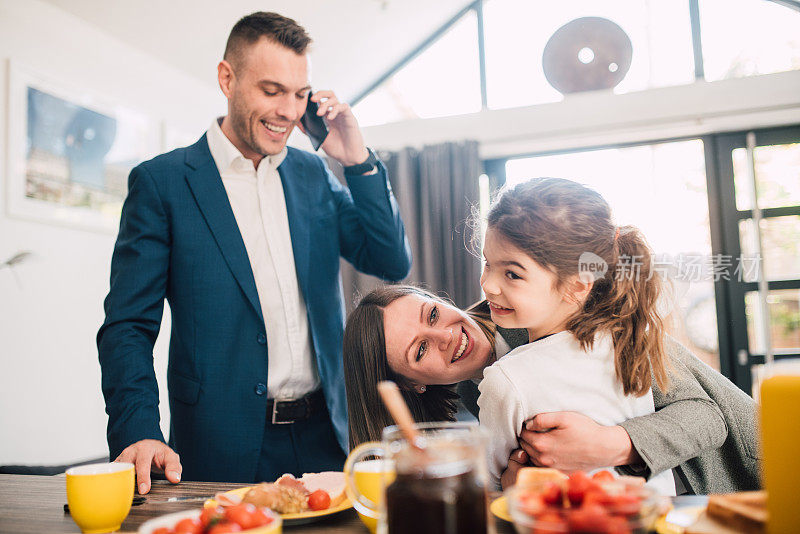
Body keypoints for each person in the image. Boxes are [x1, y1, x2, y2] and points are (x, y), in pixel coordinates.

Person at [97, 11, 411, 494]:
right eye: (271, 90)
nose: (289, 110)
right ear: (228, 78)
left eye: (300, 93)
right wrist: (138, 429)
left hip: (327, 431)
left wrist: (357, 161)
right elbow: (128, 325)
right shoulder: (162, 183)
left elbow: (390, 262)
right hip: (217, 444)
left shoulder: (313, 175)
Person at [343, 183, 759, 494]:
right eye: (420, 349)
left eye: (433, 312)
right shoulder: (484, 386)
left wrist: (610, 444)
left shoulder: (572, 313)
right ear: (412, 384)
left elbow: (708, 418)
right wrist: (518, 481)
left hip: (737, 475)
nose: (447, 335)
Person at [476, 178, 673, 492]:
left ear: (578, 285)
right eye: (488, 264)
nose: (488, 285)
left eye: (512, 273)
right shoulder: (628, 337)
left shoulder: (506, 380)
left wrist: (509, 483)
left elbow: (488, 490)